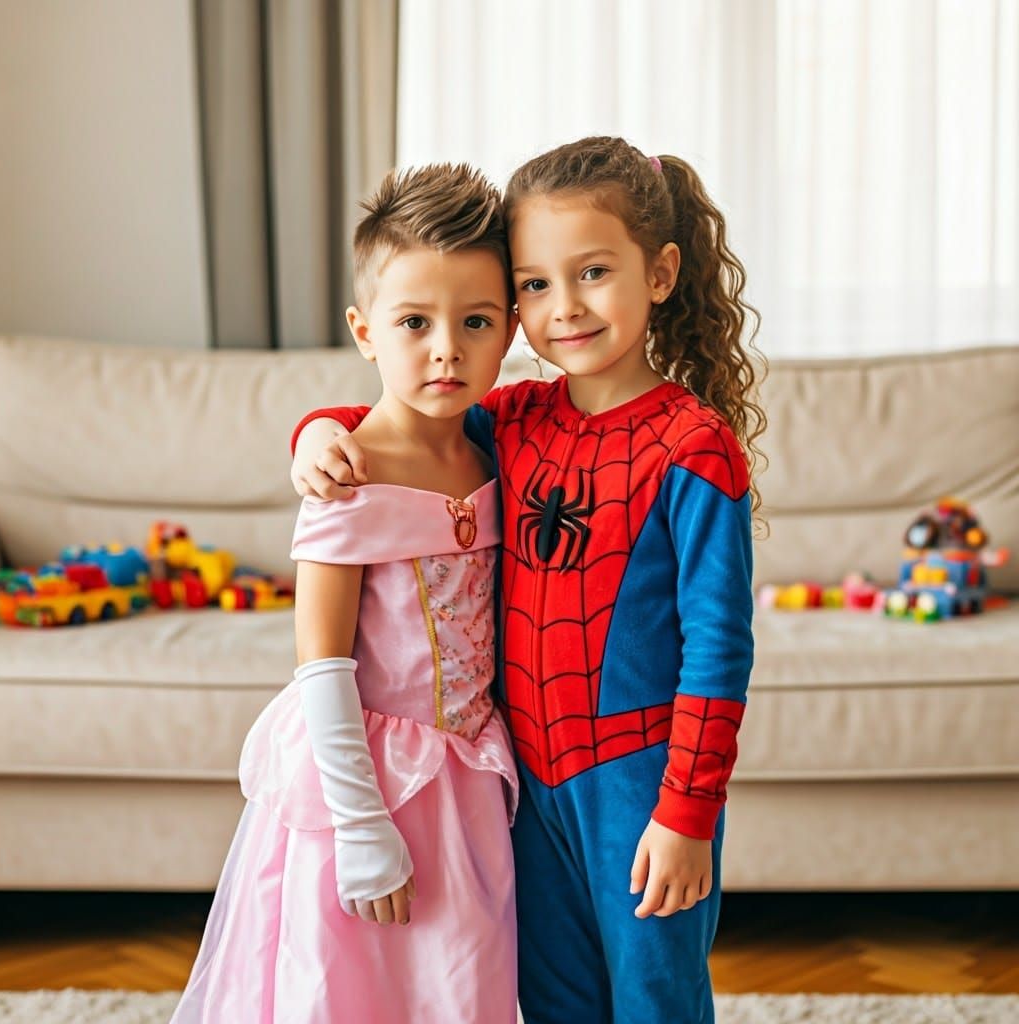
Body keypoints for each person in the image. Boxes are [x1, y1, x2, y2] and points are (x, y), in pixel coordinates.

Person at [291, 136, 766, 1024]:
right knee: (549, 1000)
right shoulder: (513, 417)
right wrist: (316, 431)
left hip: (642, 777)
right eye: (537, 285)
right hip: (524, 778)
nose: (565, 308)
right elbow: (394, 415)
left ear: (659, 273)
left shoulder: (695, 448)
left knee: (655, 995)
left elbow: (719, 647)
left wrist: (688, 812)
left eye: (592, 273)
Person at [171, 163, 520, 1024]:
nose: (446, 347)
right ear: (366, 332)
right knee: (350, 987)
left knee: (458, 982)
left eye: (476, 321)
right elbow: (321, 668)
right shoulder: (346, 475)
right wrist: (360, 826)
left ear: (511, 328)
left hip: (466, 777)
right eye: (414, 322)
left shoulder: (493, 452)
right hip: (363, 783)